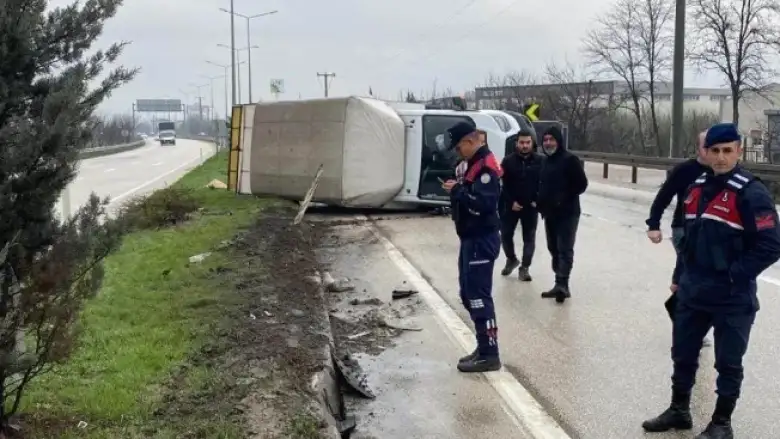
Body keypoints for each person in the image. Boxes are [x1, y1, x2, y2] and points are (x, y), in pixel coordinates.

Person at [642, 123, 780, 439]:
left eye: (727, 151)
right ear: (705, 152)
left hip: (732, 296)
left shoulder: (751, 193)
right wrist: (680, 278)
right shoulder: (696, 188)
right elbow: (688, 241)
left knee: (728, 364)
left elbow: (771, 246)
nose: (720, 158)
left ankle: (721, 423)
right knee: (683, 354)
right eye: (714, 151)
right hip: (693, 290)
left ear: (738, 152)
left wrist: (734, 274)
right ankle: (679, 410)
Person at [442, 121, 503, 373]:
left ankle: (490, 353)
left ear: (469, 141)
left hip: (482, 237)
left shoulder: (486, 167)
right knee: (467, 294)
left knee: (478, 296)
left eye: (459, 148)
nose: (458, 153)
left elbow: (482, 205)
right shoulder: (470, 165)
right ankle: (483, 344)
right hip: (469, 237)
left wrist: (457, 191)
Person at [646, 131, 713, 347]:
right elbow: (663, 196)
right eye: (707, 146)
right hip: (684, 230)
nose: (712, 151)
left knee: (698, 277)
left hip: (712, 234)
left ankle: (686, 314)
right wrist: (653, 225)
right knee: (692, 273)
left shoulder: (722, 172)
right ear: (698, 148)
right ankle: (686, 323)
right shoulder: (685, 170)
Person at [536, 126, 588, 303]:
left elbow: (581, 184)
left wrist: (562, 198)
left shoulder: (570, 160)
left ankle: (562, 284)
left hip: (567, 213)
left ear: (559, 141)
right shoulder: (545, 161)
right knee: (553, 248)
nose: (548, 143)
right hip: (549, 213)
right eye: (546, 140)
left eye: (552, 139)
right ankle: (559, 280)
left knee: (564, 248)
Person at [499, 129, 544, 281]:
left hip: (531, 207)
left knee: (529, 238)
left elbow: (544, 184)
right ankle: (511, 259)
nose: (524, 146)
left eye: (527, 142)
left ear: (532, 143)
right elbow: (502, 185)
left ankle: (524, 268)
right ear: (517, 143)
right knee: (505, 234)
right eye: (522, 142)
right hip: (511, 205)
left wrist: (537, 200)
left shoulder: (541, 161)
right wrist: (511, 202)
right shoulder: (507, 161)